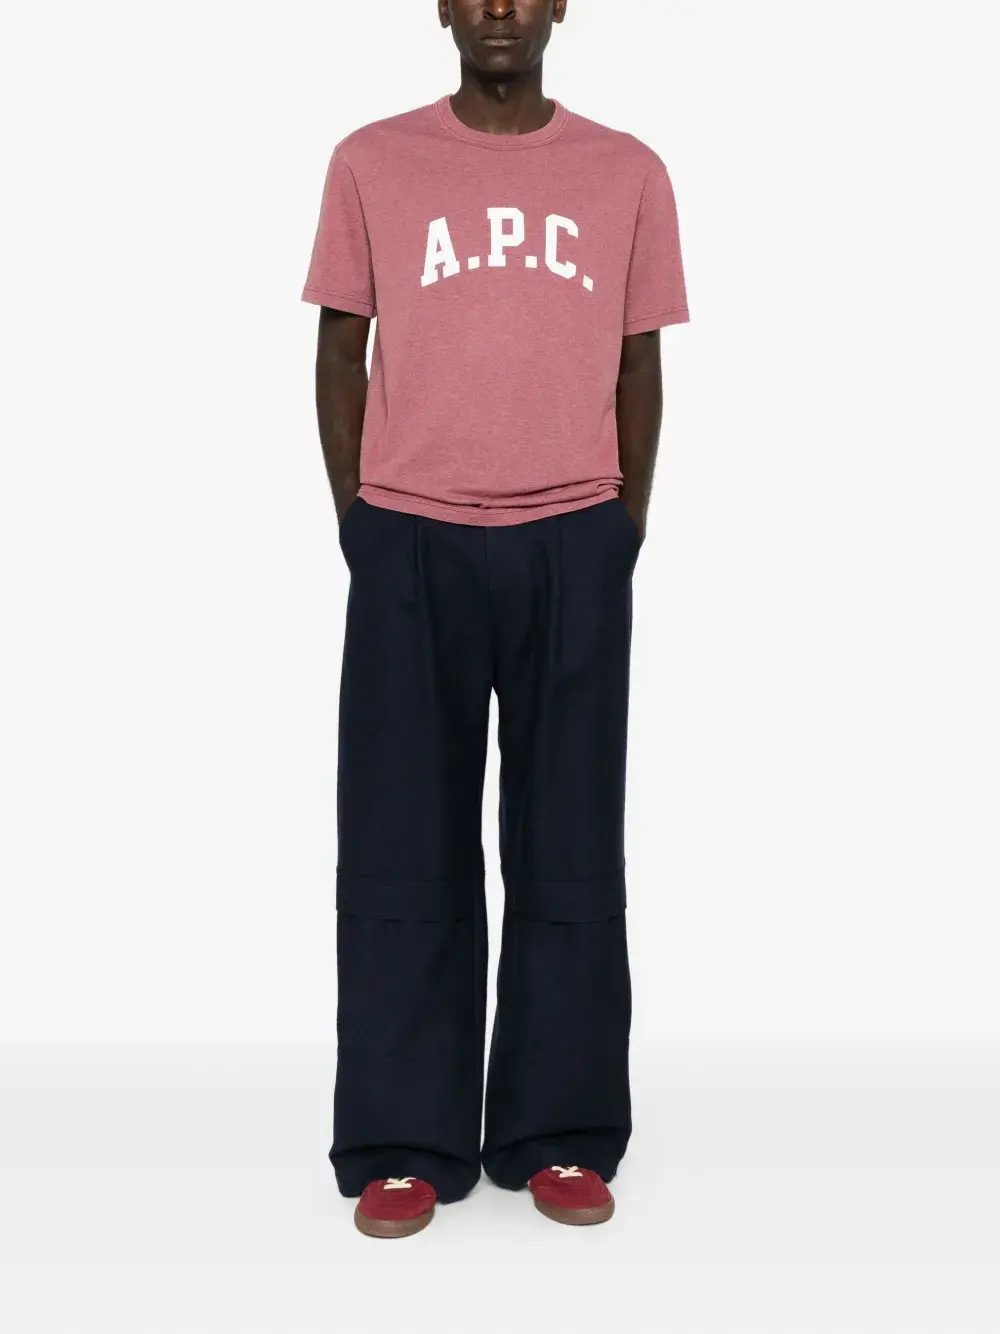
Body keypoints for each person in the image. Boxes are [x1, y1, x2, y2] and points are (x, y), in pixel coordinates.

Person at [301, 0, 689, 1239]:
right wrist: (362, 520)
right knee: (401, 840)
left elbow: (639, 361)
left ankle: (557, 1128)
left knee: (567, 839)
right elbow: (340, 349)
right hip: (409, 537)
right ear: (443, 7)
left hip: (572, 534)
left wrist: (620, 526)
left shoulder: (627, 172)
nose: (501, 9)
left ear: (561, 3)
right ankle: (403, 1140)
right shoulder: (371, 160)